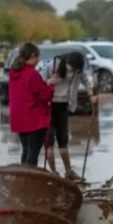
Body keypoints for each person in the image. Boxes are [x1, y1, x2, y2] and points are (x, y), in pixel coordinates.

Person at [38, 51, 96, 179]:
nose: (74, 71)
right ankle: (53, 173)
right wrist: (49, 81)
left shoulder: (78, 70)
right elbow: (39, 83)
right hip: (49, 106)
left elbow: (86, 81)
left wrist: (91, 95)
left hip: (63, 106)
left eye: (77, 70)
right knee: (49, 141)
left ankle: (68, 172)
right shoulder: (52, 66)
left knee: (63, 140)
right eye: (73, 68)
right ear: (67, 63)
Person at [8, 42, 57, 166]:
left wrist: (45, 83)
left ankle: (23, 176)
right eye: (37, 57)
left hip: (19, 119)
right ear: (33, 56)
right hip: (33, 120)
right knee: (33, 154)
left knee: (26, 150)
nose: (38, 60)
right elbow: (44, 95)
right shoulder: (32, 74)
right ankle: (29, 179)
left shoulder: (14, 73)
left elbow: (29, 91)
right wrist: (50, 85)